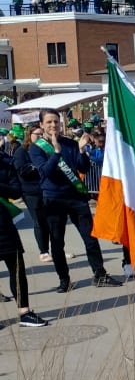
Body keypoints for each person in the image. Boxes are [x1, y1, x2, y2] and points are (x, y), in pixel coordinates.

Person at [28, 109, 122, 292]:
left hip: (76, 196)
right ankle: (64, 279)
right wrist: (55, 152)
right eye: (49, 122)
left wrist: (80, 150)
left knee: (90, 238)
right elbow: (45, 172)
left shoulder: (70, 143)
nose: (53, 125)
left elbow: (83, 167)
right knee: (57, 242)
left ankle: (100, 274)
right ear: (41, 125)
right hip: (53, 198)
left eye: (56, 121)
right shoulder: (36, 147)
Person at [0, 143, 49, 326]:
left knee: (17, 268)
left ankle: (25, 312)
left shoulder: (6, 163)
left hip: (4, 224)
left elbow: (15, 190)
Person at [12, 125, 51, 263]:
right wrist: (37, 167)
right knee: (39, 220)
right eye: (37, 134)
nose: (40, 137)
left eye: (42, 134)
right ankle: (43, 251)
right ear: (30, 135)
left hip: (47, 190)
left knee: (52, 221)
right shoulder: (22, 151)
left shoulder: (46, 150)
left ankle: (57, 249)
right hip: (31, 191)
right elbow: (21, 170)